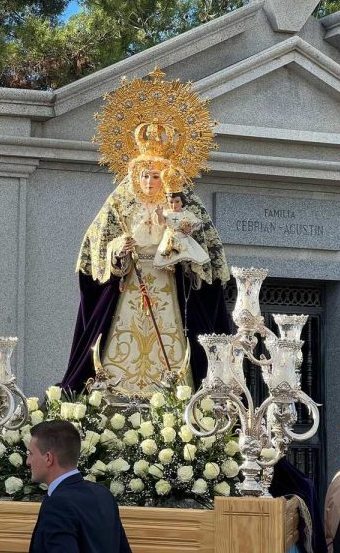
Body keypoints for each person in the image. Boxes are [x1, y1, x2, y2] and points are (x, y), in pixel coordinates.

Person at [60, 74, 230, 395]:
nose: (150, 182)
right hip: (130, 289)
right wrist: (117, 251)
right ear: (135, 175)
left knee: (175, 356)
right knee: (117, 354)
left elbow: (207, 260)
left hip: (168, 292)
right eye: (145, 175)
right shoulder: (120, 205)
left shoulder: (183, 205)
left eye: (156, 175)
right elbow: (94, 249)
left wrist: (181, 248)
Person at [27, 420, 130, 553]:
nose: (28, 461)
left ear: (48, 458)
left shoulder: (57, 504)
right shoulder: (104, 494)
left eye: (30, 453)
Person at [154, 191, 209, 269]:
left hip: (183, 239)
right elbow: (162, 223)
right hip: (169, 240)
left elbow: (190, 230)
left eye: (177, 202)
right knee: (169, 259)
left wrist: (187, 229)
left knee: (183, 260)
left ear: (182, 202)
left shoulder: (187, 214)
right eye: (171, 202)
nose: (174, 205)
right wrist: (159, 214)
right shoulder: (167, 213)